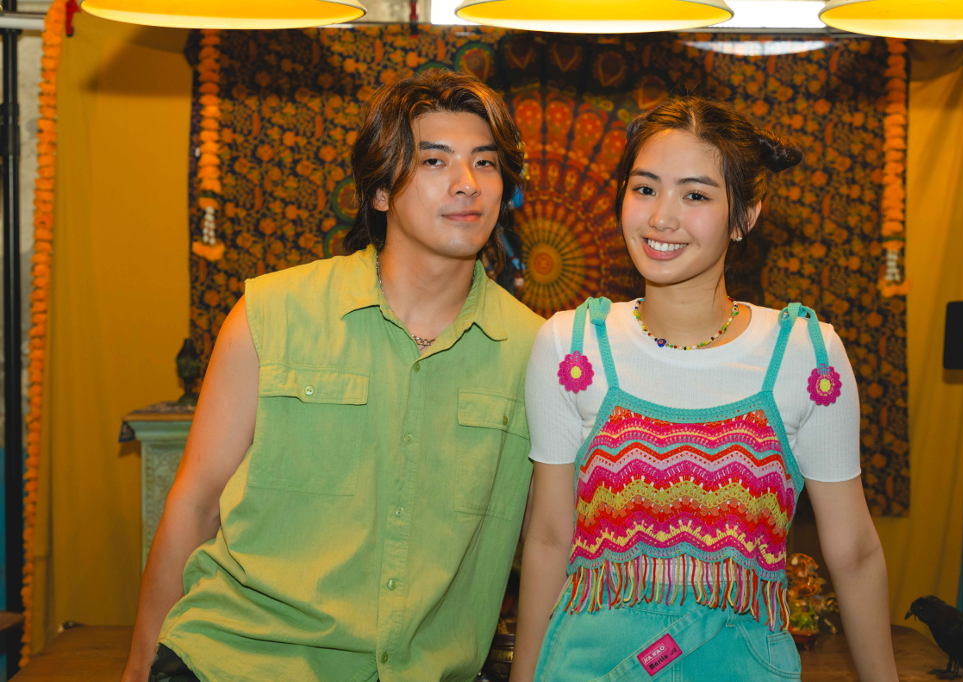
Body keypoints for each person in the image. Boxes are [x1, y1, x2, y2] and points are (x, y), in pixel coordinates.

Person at [121, 70, 544, 682]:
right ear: (382, 191)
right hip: (235, 662)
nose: (467, 183)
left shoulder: (536, 353)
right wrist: (139, 664)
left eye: (485, 163)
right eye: (434, 161)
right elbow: (195, 500)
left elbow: (550, 540)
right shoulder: (271, 314)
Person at [512, 97, 898, 682]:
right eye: (645, 188)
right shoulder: (572, 346)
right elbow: (547, 537)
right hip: (586, 666)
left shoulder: (806, 355)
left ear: (745, 217)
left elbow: (855, 551)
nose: (661, 217)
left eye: (695, 196)